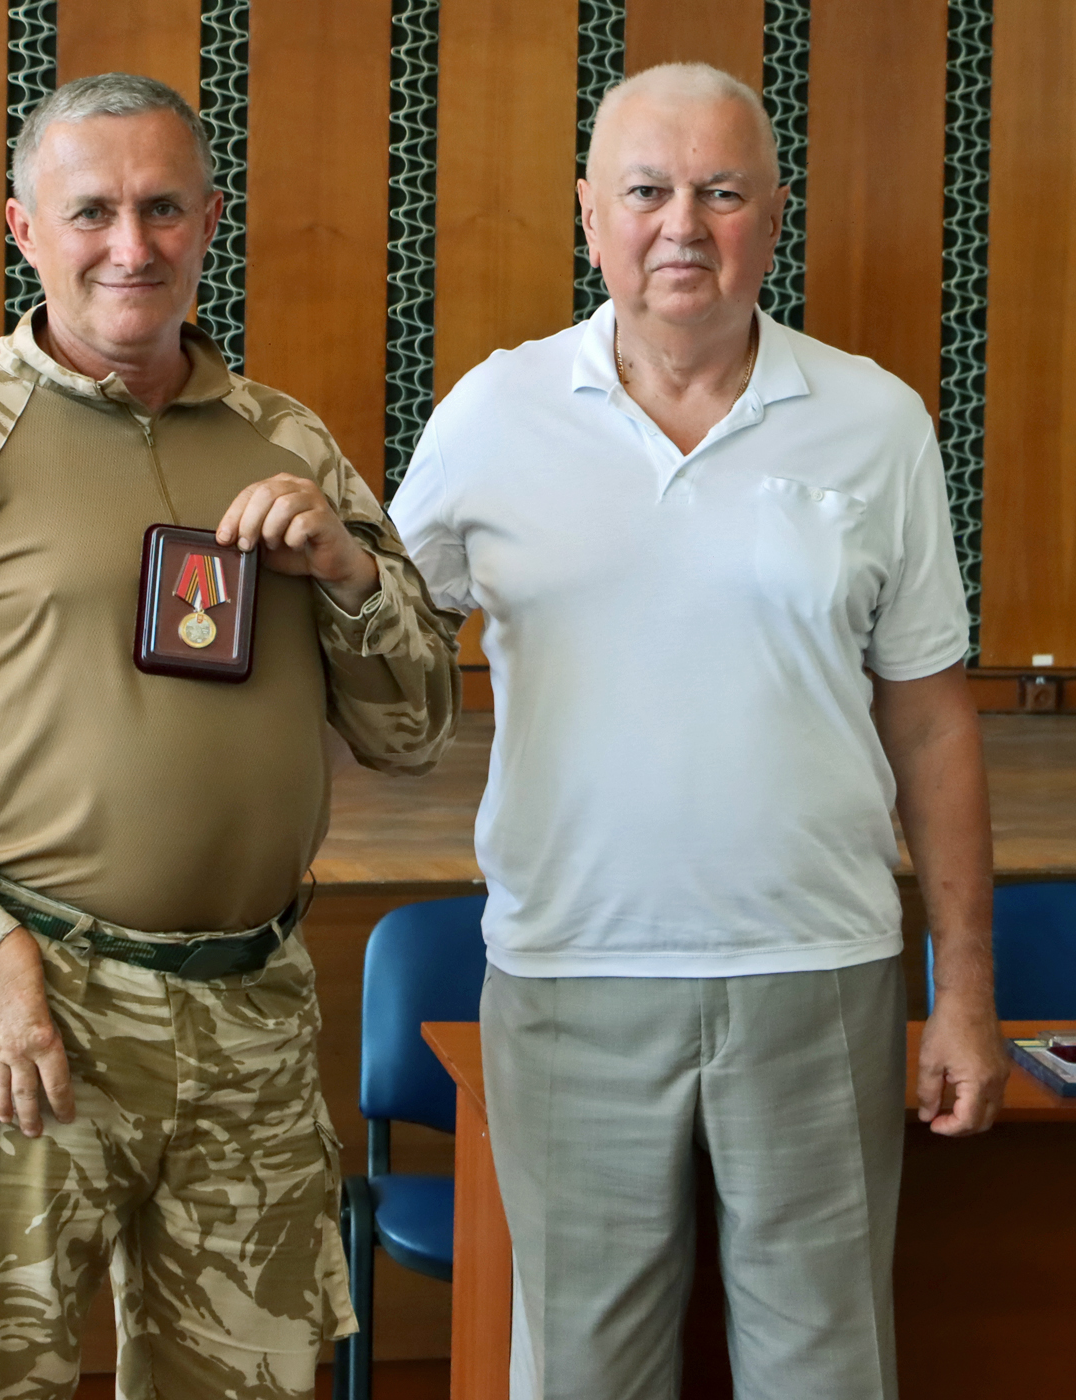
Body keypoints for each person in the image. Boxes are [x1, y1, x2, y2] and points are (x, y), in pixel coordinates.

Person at [0, 72, 459, 1400]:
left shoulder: (287, 440)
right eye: (92, 213)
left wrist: (350, 577)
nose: (130, 246)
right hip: (32, 1013)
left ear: (210, 220)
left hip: (253, 1015)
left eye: (162, 208)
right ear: (24, 228)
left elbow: (414, 731)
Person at [389, 62, 1009, 1400]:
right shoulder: (491, 413)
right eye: (647, 191)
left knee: (827, 1370)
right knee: (584, 1374)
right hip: (569, 976)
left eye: (721, 193)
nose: (683, 225)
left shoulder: (877, 420)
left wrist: (964, 993)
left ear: (773, 216)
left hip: (820, 973)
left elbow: (933, 723)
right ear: (589, 214)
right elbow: (376, 650)